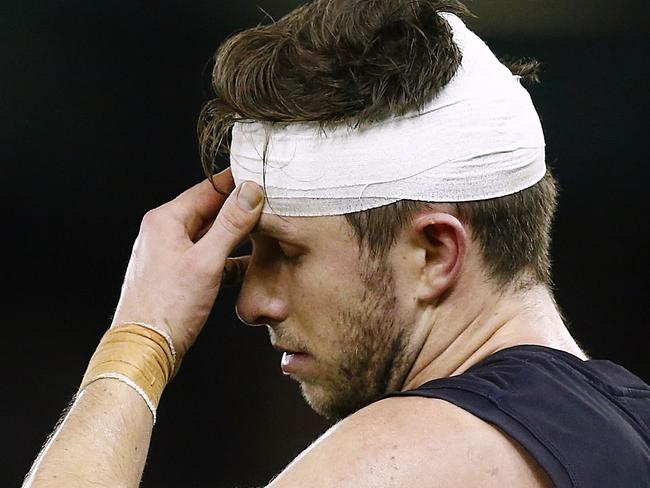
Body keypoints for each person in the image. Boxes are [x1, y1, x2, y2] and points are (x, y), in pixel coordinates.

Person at [23, 1, 649, 487]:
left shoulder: (418, 453)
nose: (251, 302)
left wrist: (139, 341)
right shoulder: (634, 425)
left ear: (434, 253)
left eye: (287, 253)